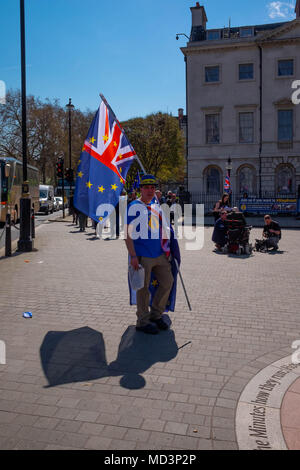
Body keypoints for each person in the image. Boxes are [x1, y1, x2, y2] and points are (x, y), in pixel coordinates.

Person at [124, 174, 174, 335]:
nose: (150, 190)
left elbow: (164, 229)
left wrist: (168, 249)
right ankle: (142, 321)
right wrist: (132, 256)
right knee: (143, 289)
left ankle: (156, 314)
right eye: (146, 187)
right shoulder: (133, 206)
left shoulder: (156, 206)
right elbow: (127, 234)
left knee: (168, 282)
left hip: (160, 254)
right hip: (142, 256)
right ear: (141, 189)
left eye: (153, 187)